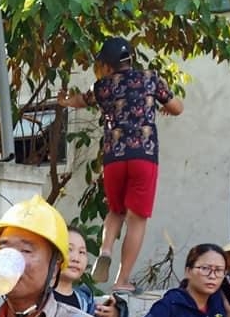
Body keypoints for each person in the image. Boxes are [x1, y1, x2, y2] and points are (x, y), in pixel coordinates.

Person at [57, 37, 183, 292]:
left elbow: (81, 100)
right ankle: (121, 279)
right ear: (131, 59)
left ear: (106, 65)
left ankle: (105, 249)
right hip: (143, 157)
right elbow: (177, 107)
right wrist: (166, 107)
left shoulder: (102, 85)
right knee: (137, 220)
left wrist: (65, 101)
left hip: (114, 158)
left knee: (115, 211)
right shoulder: (150, 78)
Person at [54, 226, 129, 317]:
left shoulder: (85, 302)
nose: (76, 258)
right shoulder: (38, 296)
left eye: (82, 252)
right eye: (69, 249)